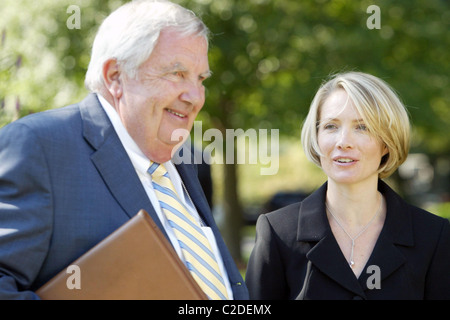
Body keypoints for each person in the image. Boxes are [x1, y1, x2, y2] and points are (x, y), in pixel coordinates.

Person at [0, 0, 248, 300]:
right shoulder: (41, 147)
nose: (195, 97)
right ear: (115, 76)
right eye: (177, 74)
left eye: (201, 79)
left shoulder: (189, 160)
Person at [246, 71, 450, 300]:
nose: (343, 142)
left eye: (362, 127)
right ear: (316, 137)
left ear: (387, 143)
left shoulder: (434, 236)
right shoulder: (277, 233)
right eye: (331, 126)